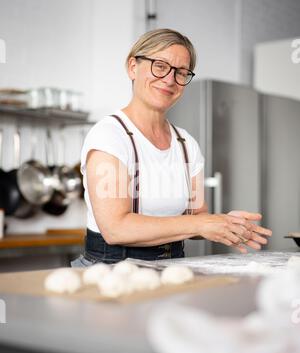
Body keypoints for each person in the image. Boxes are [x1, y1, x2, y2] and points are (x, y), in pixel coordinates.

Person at [72, 28, 272, 267]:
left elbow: (196, 216)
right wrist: (200, 224)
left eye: (181, 72)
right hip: (111, 271)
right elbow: (116, 228)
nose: (169, 79)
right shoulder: (110, 136)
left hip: (173, 268)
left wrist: (222, 223)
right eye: (160, 65)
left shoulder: (186, 144)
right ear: (133, 67)